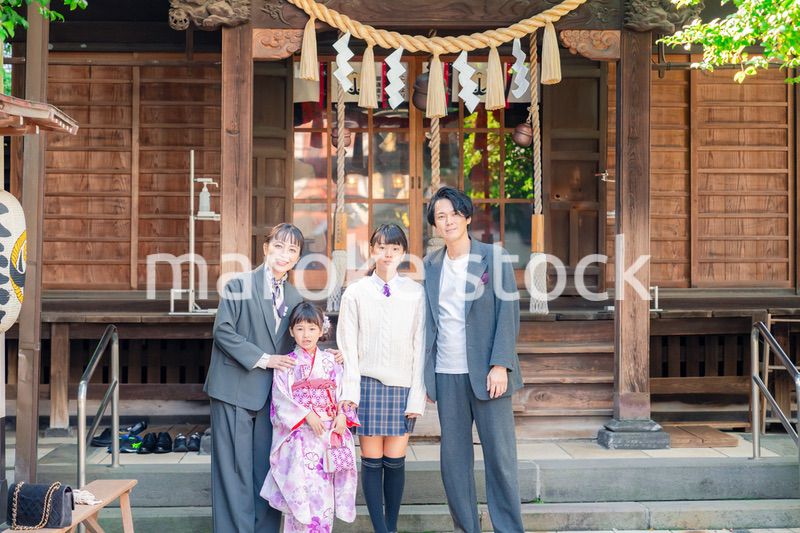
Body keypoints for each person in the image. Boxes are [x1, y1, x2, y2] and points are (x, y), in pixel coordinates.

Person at [206, 223, 345, 532]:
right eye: (279, 247)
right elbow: (223, 332)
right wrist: (265, 359)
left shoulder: (295, 297)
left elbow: (303, 339)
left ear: (297, 258)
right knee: (233, 472)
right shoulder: (239, 283)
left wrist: (332, 353)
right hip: (234, 389)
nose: (285, 254)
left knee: (266, 471)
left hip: (271, 398)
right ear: (266, 248)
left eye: (292, 250)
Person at [422, 187, 525, 533]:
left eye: (453, 213)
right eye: (440, 216)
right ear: (435, 226)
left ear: (467, 217)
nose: (447, 221)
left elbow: (507, 313)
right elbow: (427, 322)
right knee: (454, 463)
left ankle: (508, 528)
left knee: (500, 460)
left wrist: (500, 365)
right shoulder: (431, 265)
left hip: (487, 373)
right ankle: (467, 528)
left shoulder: (493, 258)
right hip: (446, 374)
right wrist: (425, 377)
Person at [337, 224, 426, 533]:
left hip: (403, 387)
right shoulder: (356, 292)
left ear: (403, 252)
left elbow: (421, 345)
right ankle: (381, 530)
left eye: (395, 248)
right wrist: (350, 394)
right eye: (382, 247)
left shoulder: (415, 292)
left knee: (395, 460)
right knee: (372, 462)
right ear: (371, 251)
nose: (388, 254)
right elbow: (347, 346)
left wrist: (417, 395)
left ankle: (392, 526)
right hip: (366, 386)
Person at [260, 302, 360, 532]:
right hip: (300, 439)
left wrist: (343, 415)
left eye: (312, 328)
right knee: (301, 492)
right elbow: (280, 399)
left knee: (323, 492)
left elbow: (344, 392)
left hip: (327, 434)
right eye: (301, 328)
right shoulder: (286, 363)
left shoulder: (332, 361)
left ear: (322, 330)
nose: (306, 334)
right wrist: (305, 414)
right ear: (291, 331)